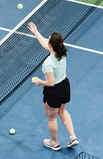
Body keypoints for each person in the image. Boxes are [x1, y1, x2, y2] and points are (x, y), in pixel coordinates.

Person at [27, 22, 78, 151]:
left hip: (54, 91)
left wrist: (39, 81)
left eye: (48, 39)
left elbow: (51, 83)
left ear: (51, 44)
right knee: (62, 111)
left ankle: (54, 142)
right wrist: (36, 32)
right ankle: (73, 136)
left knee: (52, 118)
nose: (47, 40)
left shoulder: (48, 63)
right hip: (65, 86)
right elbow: (46, 43)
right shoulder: (62, 50)